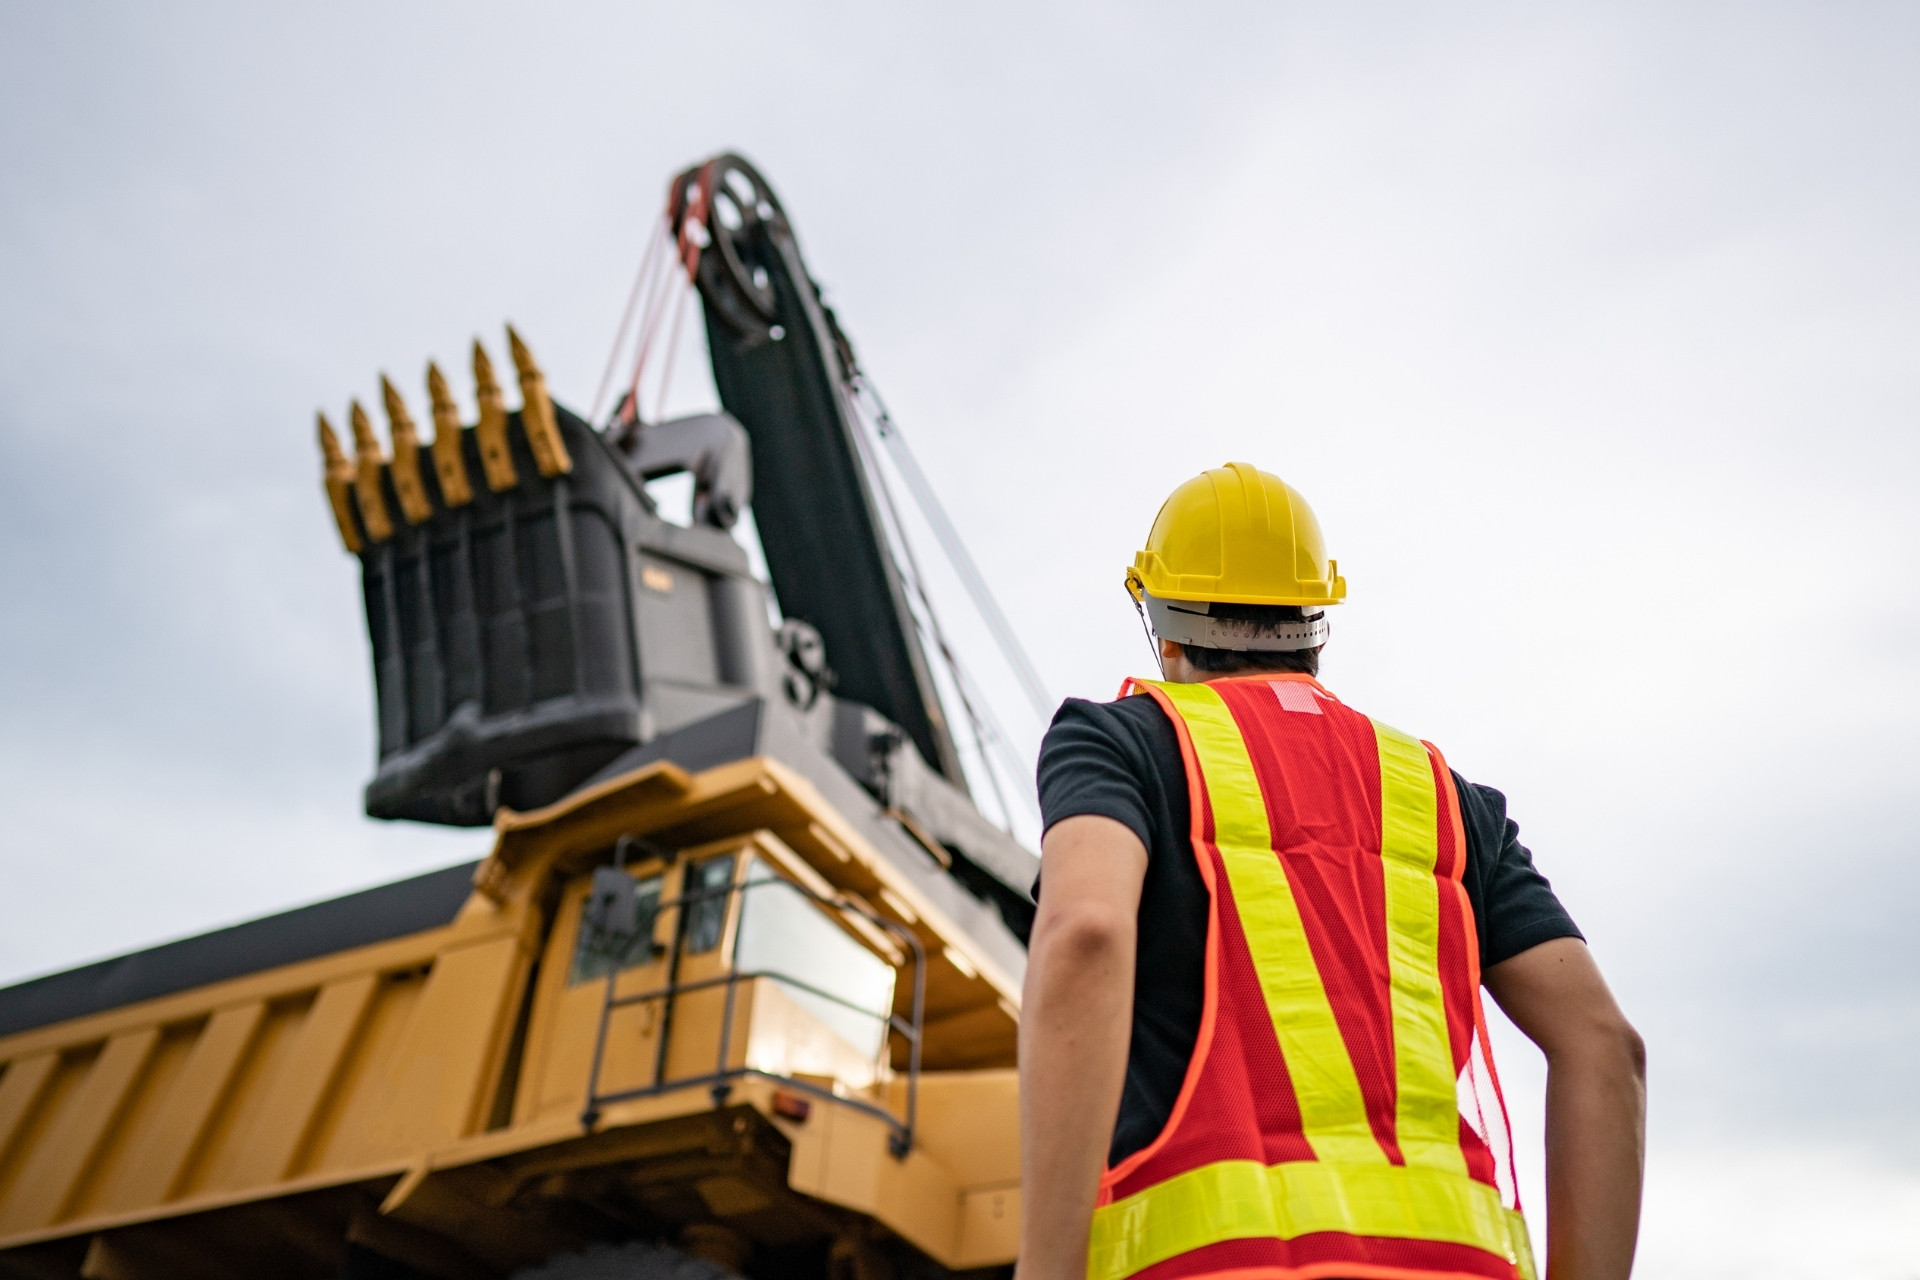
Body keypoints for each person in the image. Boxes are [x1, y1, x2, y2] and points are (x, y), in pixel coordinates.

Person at [1017, 464, 1645, 1280]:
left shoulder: (1122, 743)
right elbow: (1605, 1047)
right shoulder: (1443, 796)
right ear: (1316, 623)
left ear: (1161, 625)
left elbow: (1088, 933)